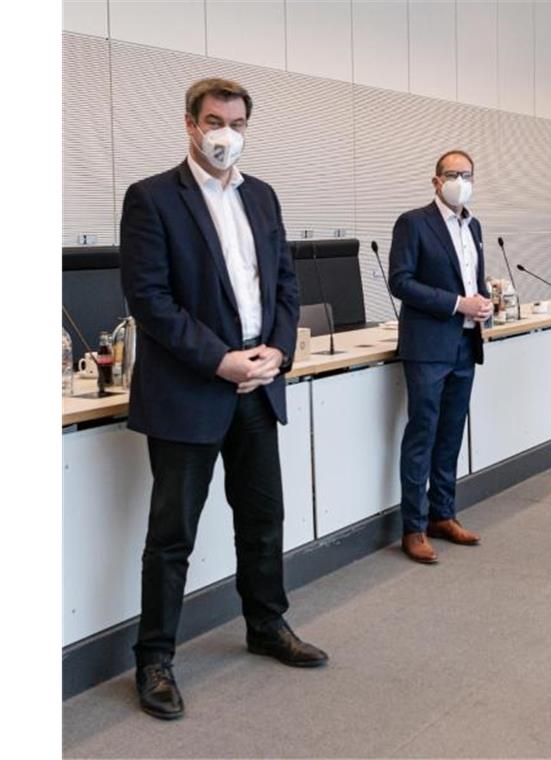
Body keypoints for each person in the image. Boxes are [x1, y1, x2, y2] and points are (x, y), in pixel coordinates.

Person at [120, 78, 327, 720]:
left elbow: (285, 285)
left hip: (258, 387)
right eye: (214, 120)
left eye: (236, 123)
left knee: (263, 520)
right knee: (172, 534)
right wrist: (220, 358)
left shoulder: (261, 196)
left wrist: (276, 351)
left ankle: (266, 625)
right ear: (189, 124)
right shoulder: (152, 198)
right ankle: (154, 658)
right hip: (190, 389)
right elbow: (150, 300)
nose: (224, 134)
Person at [388, 150, 493, 564]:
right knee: (423, 435)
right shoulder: (414, 223)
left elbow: (473, 281)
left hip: (466, 344)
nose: (460, 181)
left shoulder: (475, 225)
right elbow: (401, 282)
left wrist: (482, 303)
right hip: (428, 346)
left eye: (467, 175)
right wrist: (457, 304)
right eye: (453, 175)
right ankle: (413, 527)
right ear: (435, 181)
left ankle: (442, 514)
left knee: (451, 434)